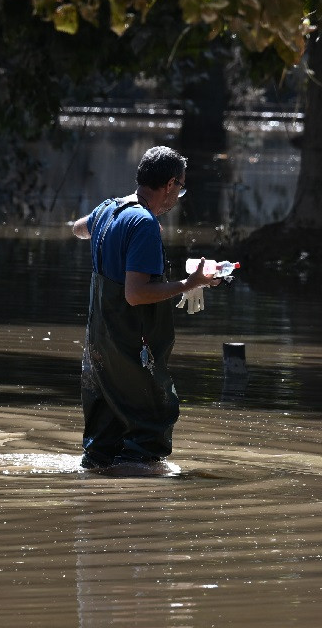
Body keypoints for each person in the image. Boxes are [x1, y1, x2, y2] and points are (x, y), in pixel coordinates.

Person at [70, 145, 220, 470]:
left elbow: (78, 229)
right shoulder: (143, 224)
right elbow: (135, 295)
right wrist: (190, 284)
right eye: (180, 186)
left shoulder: (109, 210)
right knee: (148, 428)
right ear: (169, 184)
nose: (178, 194)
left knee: (101, 449)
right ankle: (139, 503)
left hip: (100, 348)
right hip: (129, 345)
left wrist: (108, 231)